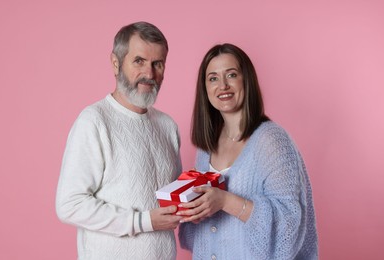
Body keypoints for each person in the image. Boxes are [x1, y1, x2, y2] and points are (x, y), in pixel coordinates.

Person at [56, 21, 183, 260]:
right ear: (116, 63)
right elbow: (69, 205)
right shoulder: (94, 121)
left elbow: (173, 198)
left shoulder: (168, 126)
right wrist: (142, 221)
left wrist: (203, 198)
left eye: (158, 63)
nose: (150, 74)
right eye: (139, 61)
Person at [178, 43, 318, 259]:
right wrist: (193, 211)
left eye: (231, 75)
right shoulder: (206, 146)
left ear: (246, 80)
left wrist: (225, 201)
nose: (222, 85)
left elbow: (290, 222)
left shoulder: (271, 141)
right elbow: (198, 229)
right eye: (213, 78)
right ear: (205, 89)